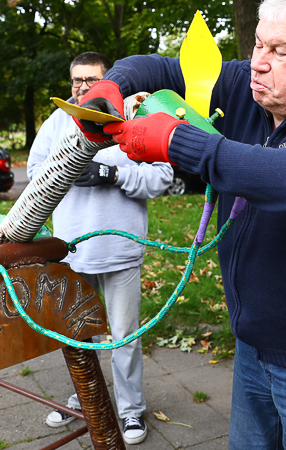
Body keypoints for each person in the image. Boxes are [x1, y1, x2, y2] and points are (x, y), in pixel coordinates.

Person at [76, 0, 286, 450]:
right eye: (258, 43)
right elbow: (159, 67)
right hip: (253, 348)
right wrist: (111, 86)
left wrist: (180, 142)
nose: (258, 62)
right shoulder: (250, 88)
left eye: (281, 51)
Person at [28, 52, 173, 445]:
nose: (82, 88)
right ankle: (84, 397)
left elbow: (162, 177)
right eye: (76, 81)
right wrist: (67, 170)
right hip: (73, 250)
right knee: (78, 334)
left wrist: (113, 174)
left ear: (110, 80)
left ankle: (130, 411)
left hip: (121, 248)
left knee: (124, 336)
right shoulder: (59, 122)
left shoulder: (134, 116)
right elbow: (34, 171)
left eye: (90, 80)